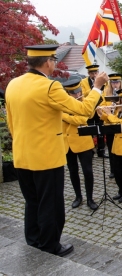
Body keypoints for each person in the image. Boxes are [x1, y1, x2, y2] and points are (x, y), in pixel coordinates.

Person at [5, 44, 108, 257]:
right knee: (50, 204)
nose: (54, 63)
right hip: (46, 158)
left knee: (32, 202)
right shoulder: (50, 87)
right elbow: (84, 110)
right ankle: (50, 245)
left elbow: (11, 123)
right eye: (53, 60)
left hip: (22, 156)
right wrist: (97, 87)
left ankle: (33, 241)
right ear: (48, 62)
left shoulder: (13, 84)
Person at [62, 79, 98, 211]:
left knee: (87, 171)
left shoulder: (85, 103)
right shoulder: (62, 104)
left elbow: (84, 118)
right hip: (68, 143)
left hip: (83, 141)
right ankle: (78, 196)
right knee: (73, 171)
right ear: (67, 94)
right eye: (73, 94)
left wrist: (65, 116)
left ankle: (90, 198)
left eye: (78, 92)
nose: (77, 96)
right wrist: (70, 114)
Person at [101, 73, 122, 178]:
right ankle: (113, 170)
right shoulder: (105, 93)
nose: (115, 85)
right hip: (109, 124)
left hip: (119, 123)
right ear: (110, 83)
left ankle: (120, 168)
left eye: (117, 82)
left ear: (120, 83)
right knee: (110, 148)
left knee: (119, 146)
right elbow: (101, 108)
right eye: (113, 82)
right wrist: (108, 109)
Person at [81, 64, 107, 158]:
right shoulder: (83, 82)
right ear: (89, 74)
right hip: (90, 109)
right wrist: (94, 88)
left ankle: (101, 150)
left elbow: (105, 93)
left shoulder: (102, 81)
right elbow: (83, 94)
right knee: (90, 130)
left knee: (101, 130)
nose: (94, 74)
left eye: (96, 72)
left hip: (100, 109)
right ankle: (90, 150)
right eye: (92, 73)